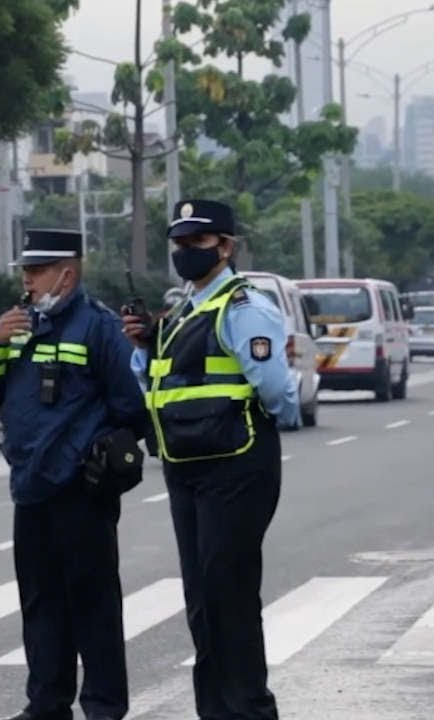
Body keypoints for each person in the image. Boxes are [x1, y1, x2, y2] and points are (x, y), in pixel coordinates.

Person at [120, 199, 298, 720]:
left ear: (226, 247)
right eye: (179, 244)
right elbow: (153, 378)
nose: (185, 253)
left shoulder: (244, 307)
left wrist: (267, 419)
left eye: (197, 243)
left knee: (230, 595)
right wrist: (145, 344)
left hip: (236, 462)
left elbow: (276, 391)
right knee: (202, 601)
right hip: (185, 465)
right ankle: (215, 711)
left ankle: (249, 710)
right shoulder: (181, 310)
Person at [0, 228, 148, 720]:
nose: (28, 279)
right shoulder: (17, 326)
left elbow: (132, 407)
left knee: (94, 608)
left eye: (37, 270)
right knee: (41, 606)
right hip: (30, 487)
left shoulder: (99, 327)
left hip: (81, 491)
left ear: (67, 273)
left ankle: (105, 708)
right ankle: (46, 705)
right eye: (25, 271)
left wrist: (97, 455)